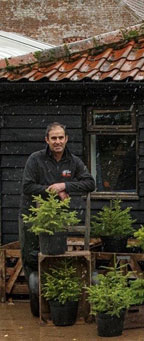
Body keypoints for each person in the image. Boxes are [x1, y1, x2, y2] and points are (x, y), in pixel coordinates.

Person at [19, 122, 95, 316]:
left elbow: (90, 183)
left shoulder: (74, 162)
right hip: (33, 218)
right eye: (54, 138)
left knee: (56, 256)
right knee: (31, 257)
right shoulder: (35, 160)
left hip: (58, 220)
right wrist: (51, 191)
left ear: (66, 139)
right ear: (47, 140)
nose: (58, 141)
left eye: (61, 137)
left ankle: (58, 298)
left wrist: (64, 186)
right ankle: (38, 303)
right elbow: (27, 187)